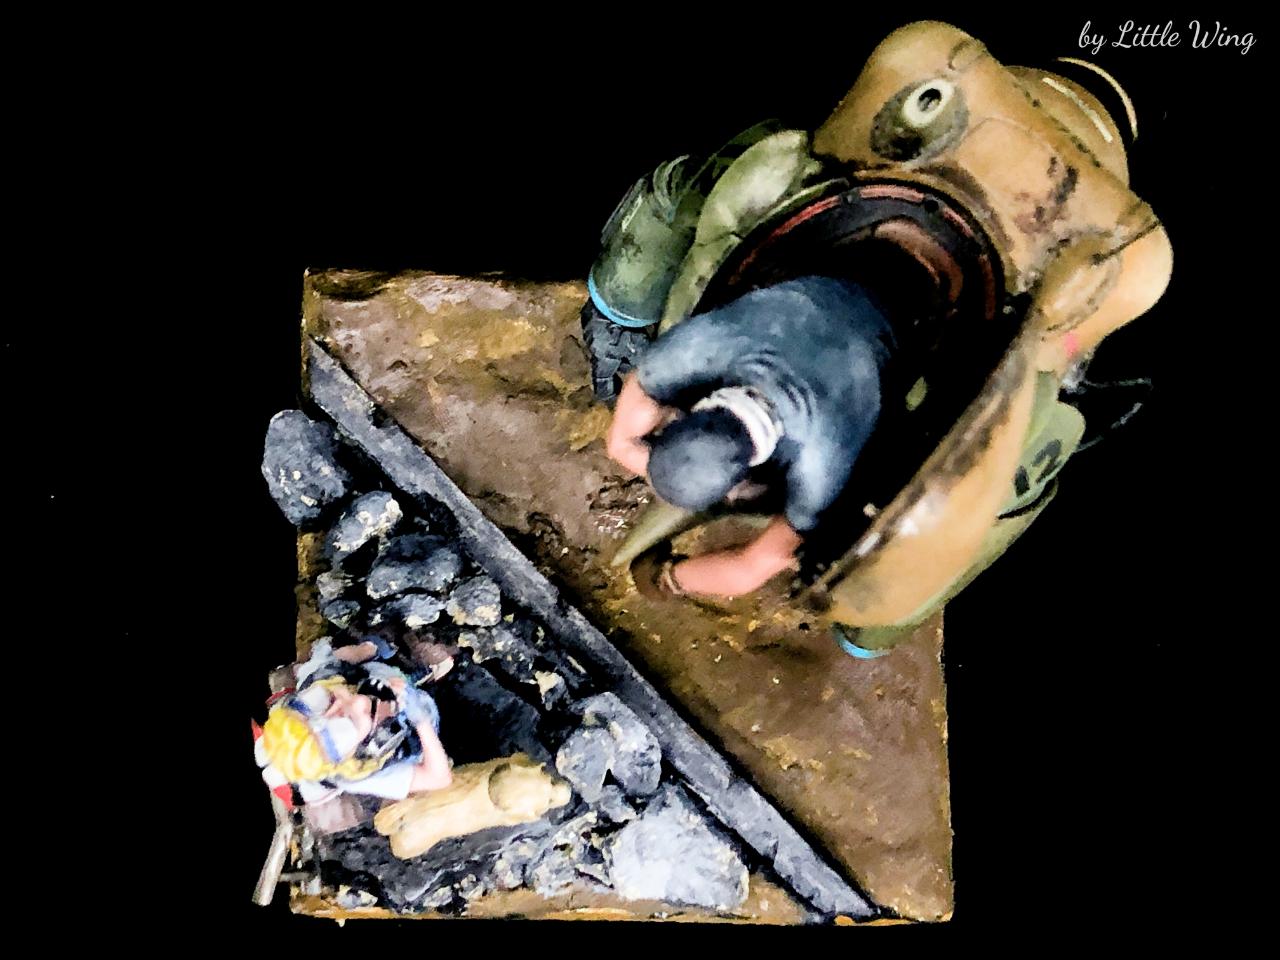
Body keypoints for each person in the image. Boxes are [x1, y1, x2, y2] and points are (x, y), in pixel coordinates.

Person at [606, 274, 894, 599]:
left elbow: (753, 566)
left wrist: (666, 579)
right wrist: (681, 473)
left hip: (888, 328)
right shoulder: (698, 350)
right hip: (832, 290)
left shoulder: (820, 467)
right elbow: (623, 435)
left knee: (820, 526)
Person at [255, 636, 454, 805]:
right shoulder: (358, 774)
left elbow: (334, 661)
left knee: (344, 668)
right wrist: (421, 721)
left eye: (327, 701)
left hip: (371, 676)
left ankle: (402, 671)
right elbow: (438, 778)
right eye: (347, 724)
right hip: (409, 728)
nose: (357, 702)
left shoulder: (318, 685)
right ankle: (425, 680)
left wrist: (369, 648)